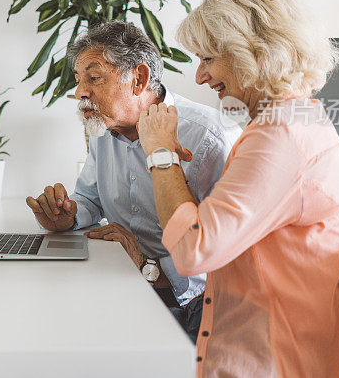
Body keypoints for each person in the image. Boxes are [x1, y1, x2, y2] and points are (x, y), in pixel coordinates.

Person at [138, 0, 339, 376]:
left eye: (207, 59)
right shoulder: (292, 120)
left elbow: (192, 251)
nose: (199, 77)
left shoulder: (281, 135)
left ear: (252, 50)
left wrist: (161, 154)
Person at [25, 22, 241, 342]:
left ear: (138, 79)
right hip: (128, 282)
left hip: (196, 310)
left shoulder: (208, 136)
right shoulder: (103, 127)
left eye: (94, 78)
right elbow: (89, 198)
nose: (80, 92)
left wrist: (148, 266)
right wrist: (66, 214)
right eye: (78, 79)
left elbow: (227, 251)